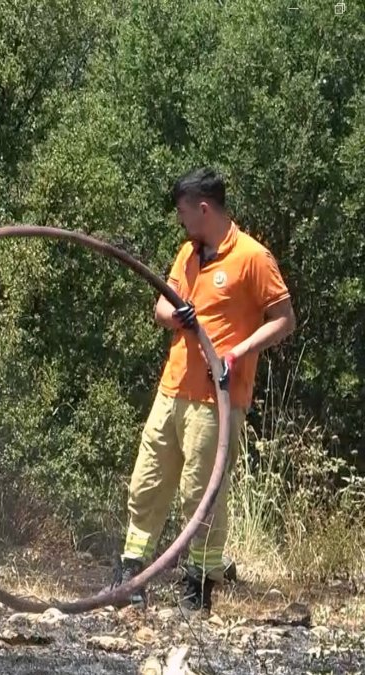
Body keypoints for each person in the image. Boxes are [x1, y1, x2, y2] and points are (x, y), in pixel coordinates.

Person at [112, 167, 295, 612]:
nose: (180, 220)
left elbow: (284, 319)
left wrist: (236, 352)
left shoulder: (253, 257)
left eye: (182, 212)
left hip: (217, 398)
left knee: (203, 492)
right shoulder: (187, 254)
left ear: (204, 208)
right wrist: (178, 316)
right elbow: (161, 306)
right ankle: (132, 572)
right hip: (172, 388)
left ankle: (199, 585)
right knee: (146, 483)